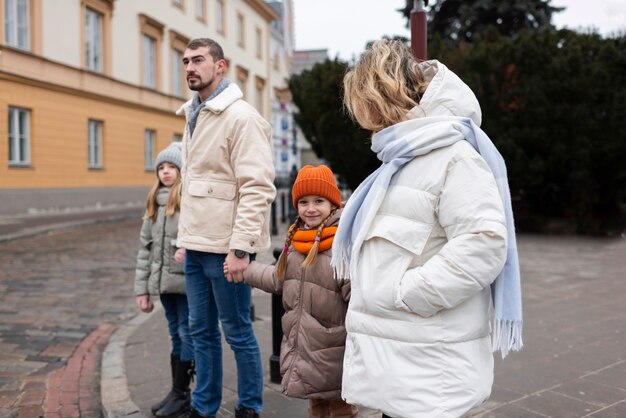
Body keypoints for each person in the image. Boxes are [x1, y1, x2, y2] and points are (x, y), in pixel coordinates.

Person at [333, 39, 523, 417]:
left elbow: (483, 244)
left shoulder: (453, 156)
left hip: (428, 363)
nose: (362, 118)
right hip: (401, 360)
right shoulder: (403, 156)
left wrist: (407, 294)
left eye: (363, 102)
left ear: (384, 93)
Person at [175, 38, 276, 418]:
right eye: (185, 61)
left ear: (220, 66)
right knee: (200, 331)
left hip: (226, 250)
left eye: (198, 60)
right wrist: (185, 239)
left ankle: (248, 406)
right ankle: (204, 407)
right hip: (196, 246)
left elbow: (257, 187)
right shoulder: (193, 114)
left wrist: (240, 249)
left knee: (237, 332)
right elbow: (196, 185)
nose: (190, 67)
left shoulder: (241, 117)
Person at [225, 165, 359, 418]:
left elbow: (356, 299)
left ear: (333, 203)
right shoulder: (297, 242)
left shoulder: (341, 246)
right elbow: (279, 280)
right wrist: (248, 270)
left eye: (319, 201)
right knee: (315, 406)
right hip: (305, 346)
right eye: (304, 202)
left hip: (334, 348)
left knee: (342, 410)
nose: (310, 208)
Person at [134, 142, 194, 418]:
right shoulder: (153, 204)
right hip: (164, 285)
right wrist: (142, 290)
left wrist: (187, 247)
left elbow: (198, 235)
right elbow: (145, 252)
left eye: (172, 167)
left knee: (186, 333)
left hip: (184, 283)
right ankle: (176, 392)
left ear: (182, 171)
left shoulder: (187, 202)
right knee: (175, 334)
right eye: (161, 167)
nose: (166, 172)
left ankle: (185, 395)